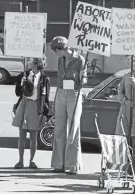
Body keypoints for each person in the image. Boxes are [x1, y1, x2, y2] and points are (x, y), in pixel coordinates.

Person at [50, 36, 87, 175]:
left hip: (74, 93)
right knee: (59, 127)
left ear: (63, 48)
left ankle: (73, 164)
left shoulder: (80, 59)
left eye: (56, 50)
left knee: (73, 128)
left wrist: (83, 78)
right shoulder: (61, 60)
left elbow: (84, 77)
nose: (55, 53)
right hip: (61, 92)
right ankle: (59, 163)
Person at [12, 57, 51, 169]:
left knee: (34, 135)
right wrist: (21, 83)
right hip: (24, 104)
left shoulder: (45, 78)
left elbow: (46, 97)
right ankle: (20, 161)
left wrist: (44, 113)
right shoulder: (23, 75)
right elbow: (17, 93)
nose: (29, 63)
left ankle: (32, 161)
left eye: (32, 62)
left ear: (37, 64)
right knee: (22, 134)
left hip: (35, 106)